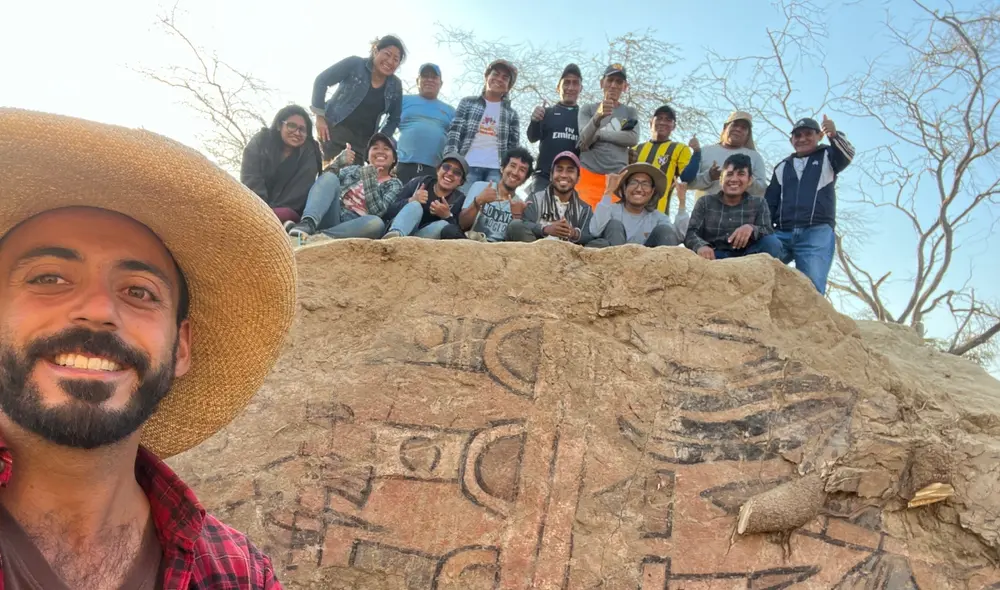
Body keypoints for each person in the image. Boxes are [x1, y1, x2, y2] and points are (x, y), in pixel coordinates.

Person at [0, 108, 295, 588]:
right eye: (49, 278)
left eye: (139, 291)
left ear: (180, 348)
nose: (98, 310)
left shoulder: (238, 575)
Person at [765, 115, 855, 294]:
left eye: (808, 134)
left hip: (816, 231)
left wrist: (834, 135)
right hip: (783, 232)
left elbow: (847, 154)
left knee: (811, 285)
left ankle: (813, 322)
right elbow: (770, 202)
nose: (803, 139)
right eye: (797, 135)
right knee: (758, 263)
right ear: (791, 139)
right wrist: (765, 228)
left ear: (819, 136)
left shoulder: (828, 156)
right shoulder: (782, 166)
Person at [286, 132, 401, 240]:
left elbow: (378, 212)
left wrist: (369, 177)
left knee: (377, 224)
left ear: (394, 159)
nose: (380, 151)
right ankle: (307, 223)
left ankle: (317, 237)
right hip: (334, 214)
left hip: (355, 226)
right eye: (375, 148)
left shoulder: (394, 184)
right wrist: (337, 163)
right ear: (367, 156)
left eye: (386, 149)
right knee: (330, 177)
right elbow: (322, 184)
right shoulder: (353, 170)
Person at [311, 35, 405, 162]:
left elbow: (394, 118)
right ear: (376, 51)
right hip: (332, 133)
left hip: (361, 146)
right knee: (328, 177)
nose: (390, 61)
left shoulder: (395, 85)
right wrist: (320, 117)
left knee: (352, 180)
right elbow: (321, 81)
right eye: (387, 54)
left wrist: (379, 140)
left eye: (396, 59)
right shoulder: (355, 64)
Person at [685, 154, 783, 260]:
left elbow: (767, 230)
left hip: (748, 258)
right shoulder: (705, 202)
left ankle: (763, 276)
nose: (734, 179)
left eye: (741, 174)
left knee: (772, 242)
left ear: (749, 180)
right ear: (721, 179)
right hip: (713, 256)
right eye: (729, 174)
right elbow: (691, 233)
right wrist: (701, 246)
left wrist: (751, 228)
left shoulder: (759, 203)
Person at [445, 59, 521, 196]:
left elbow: (513, 148)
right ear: (487, 76)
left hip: (496, 170)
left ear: (508, 86)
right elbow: (455, 132)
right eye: (495, 74)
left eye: (505, 78)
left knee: (489, 211)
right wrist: (451, 160)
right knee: (460, 205)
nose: (499, 79)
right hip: (467, 165)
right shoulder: (468, 102)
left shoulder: (512, 114)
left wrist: (510, 173)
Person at [240, 105, 322, 223]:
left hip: (288, 212)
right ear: (279, 125)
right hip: (256, 206)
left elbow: (302, 188)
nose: (297, 133)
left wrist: (274, 213)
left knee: (285, 213)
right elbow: (250, 178)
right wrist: (263, 210)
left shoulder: (309, 151)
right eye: (291, 126)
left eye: (302, 129)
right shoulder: (261, 141)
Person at [577, 64, 640, 208]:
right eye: (610, 80)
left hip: (617, 179)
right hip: (587, 176)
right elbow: (584, 141)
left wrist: (599, 134)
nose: (613, 85)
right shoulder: (588, 109)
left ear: (625, 87)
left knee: (612, 226)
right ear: (602, 83)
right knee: (583, 226)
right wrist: (598, 116)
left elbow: (633, 138)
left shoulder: (630, 112)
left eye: (619, 82)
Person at [588, 162, 687, 248]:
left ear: (652, 191)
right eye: (633, 182)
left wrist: (682, 202)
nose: (639, 189)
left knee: (664, 230)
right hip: (615, 265)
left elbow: (676, 238)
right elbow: (595, 231)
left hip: (648, 266)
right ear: (624, 189)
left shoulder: (658, 218)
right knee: (614, 225)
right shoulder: (611, 210)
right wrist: (608, 192)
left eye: (645, 184)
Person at [506, 151, 593, 244]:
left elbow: (589, 236)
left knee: (601, 243)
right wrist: (545, 229)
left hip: (569, 255)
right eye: (559, 170)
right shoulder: (535, 198)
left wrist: (573, 233)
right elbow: (524, 224)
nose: (563, 175)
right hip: (537, 253)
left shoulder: (585, 209)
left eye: (570, 170)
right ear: (551, 176)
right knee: (515, 226)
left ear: (578, 178)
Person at [381, 153, 469, 239]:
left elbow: (457, 234)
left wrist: (447, 216)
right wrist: (411, 200)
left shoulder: (459, 200)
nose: (450, 173)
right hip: (400, 231)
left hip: (423, 241)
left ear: (461, 182)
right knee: (415, 205)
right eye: (446, 167)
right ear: (438, 170)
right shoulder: (419, 183)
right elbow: (390, 212)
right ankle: (393, 239)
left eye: (457, 172)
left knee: (443, 224)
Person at [525, 64, 582, 195]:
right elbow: (532, 137)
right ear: (558, 87)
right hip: (543, 178)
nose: (570, 88)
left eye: (575, 83)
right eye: (566, 83)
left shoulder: (585, 117)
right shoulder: (547, 112)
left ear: (580, 88)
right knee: (533, 213)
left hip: (571, 182)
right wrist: (534, 120)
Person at [395, 63, 456, 184]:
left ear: (441, 83)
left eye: (434, 77)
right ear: (418, 81)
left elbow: (455, 142)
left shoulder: (450, 111)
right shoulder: (402, 100)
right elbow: (387, 127)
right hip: (402, 165)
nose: (429, 80)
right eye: (425, 76)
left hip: (434, 169)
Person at [457, 147, 534, 242]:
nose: (515, 172)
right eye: (512, 166)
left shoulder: (520, 205)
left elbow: (516, 242)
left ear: (525, 180)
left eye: (522, 170)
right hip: (473, 243)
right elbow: (462, 224)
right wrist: (478, 201)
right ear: (502, 168)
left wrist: (517, 216)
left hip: (500, 252)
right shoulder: (479, 187)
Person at [687, 111, 769, 199]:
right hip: (705, 211)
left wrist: (746, 179)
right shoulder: (704, 151)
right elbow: (688, 183)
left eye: (743, 127)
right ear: (725, 127)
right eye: (735, 125)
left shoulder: (754, 156)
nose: (738, 129)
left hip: (742, 212)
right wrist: (709, 176)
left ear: (748, 134)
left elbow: (762, 191)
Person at [632, 105, 696, 215]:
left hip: (658, 214)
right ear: (651, 122)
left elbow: (688, 178)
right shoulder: (635, 149)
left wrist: (697, 154)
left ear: (673, 126)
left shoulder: (680, 149)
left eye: (668, 120)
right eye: (659, 118)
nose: (662, 122)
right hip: (630, 211)